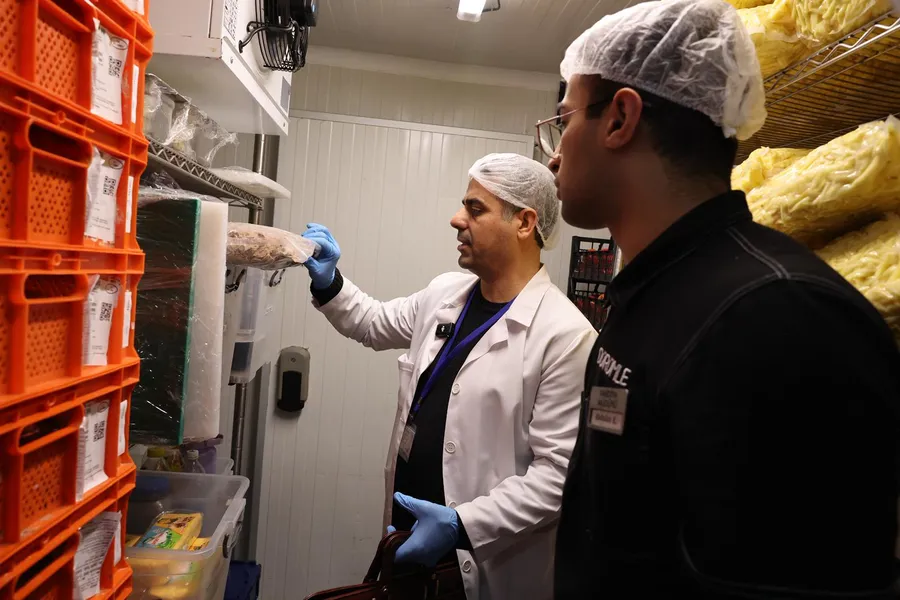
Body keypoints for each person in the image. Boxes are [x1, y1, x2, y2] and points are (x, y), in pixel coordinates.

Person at [540, 0, 900, 598]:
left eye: (564, 119)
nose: (554, 152)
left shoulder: (780, 317)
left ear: (620, 119)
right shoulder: (661, 288)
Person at [301, 153, 596, 600]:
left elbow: (558, 477)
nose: (457, 219)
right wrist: (329, 282)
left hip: (484, 563)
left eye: (475, 209)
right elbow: (373, 323)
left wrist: (462, 524)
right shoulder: (445, 294)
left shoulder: (565, 335)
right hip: (406, 543)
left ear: (524, 222)